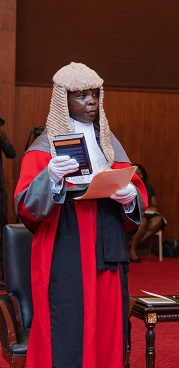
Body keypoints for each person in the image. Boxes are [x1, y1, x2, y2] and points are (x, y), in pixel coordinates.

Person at [14, 62, 147, 368]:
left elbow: (133, 187)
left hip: (106, 238)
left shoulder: (108, 141)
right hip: (65, 240)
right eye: (81, 96)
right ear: (63, 100)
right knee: (68, 319)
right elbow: (25, 206)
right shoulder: (43, 147)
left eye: (94, 94)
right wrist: (52, 177)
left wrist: (129, 199)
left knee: (108, 320)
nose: (90, 101)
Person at [129, 163, 167, 262]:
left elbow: (154, 204)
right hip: (135, 213)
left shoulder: (148, 187)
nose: (138, 175)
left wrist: (151, 207)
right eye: (135, 173)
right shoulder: (127, 186)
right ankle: (132, 250)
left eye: (140, 173)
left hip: (148, 211)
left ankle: (131, 246)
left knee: (158, 220)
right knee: (143, 222)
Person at [0, 118, 16, 287]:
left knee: (1, 233)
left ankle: (4, 274)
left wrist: (3, 138)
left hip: (0, 193)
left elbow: (12, 154)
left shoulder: (1, 137)